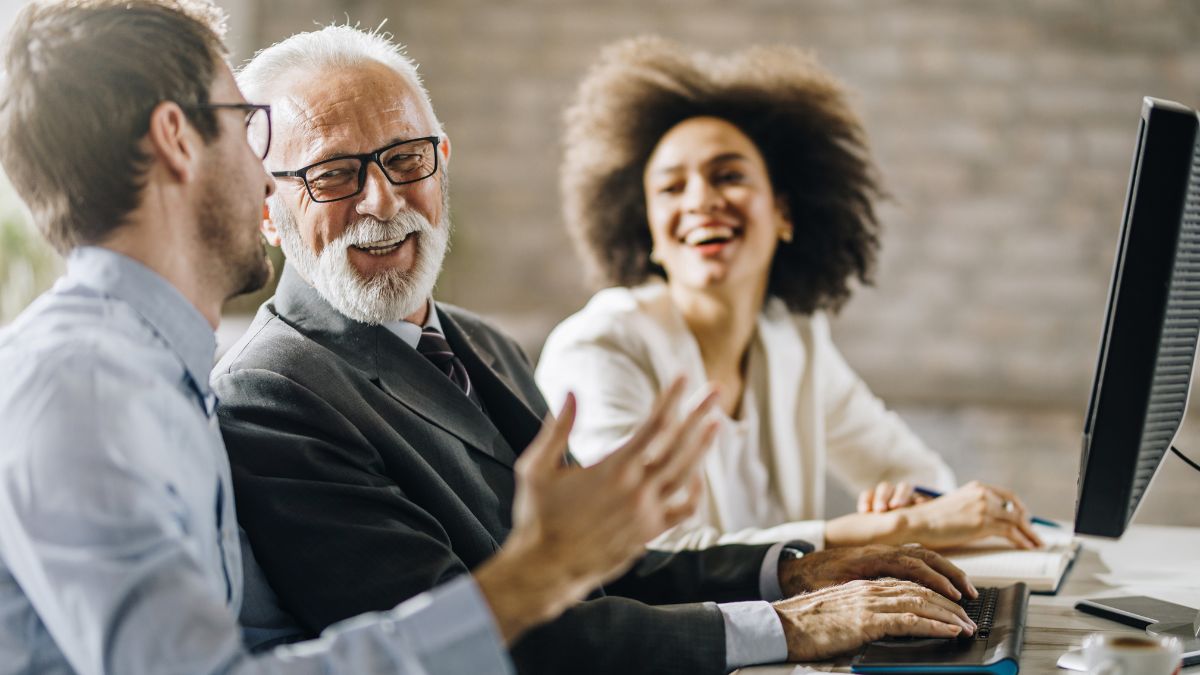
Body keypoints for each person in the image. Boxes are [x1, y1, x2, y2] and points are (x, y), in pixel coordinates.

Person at [213, 24, 979, 675]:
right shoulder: (272, 392)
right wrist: (792, 626)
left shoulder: (480, 341)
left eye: (404, 158)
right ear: (268, 212)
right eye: (333, 175)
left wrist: (795, 569)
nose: (382, 201)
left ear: (442, 162)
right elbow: (480, 638)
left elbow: (607, 568)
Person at [0, 2, 723, 673]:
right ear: (176, 139)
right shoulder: (85, 385)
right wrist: (528, 580)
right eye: (245, 121)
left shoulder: (154, 376)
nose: (265, 173)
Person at [537, 36, 1043, 553]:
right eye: (671, 188)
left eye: (728, 175)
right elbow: (651, 557)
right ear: (649, 231)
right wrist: (893, 529)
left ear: (784, 214)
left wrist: (903, 501)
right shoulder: (600, 348)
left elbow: (918, 474)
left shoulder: (792, 338)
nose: (702, 200)